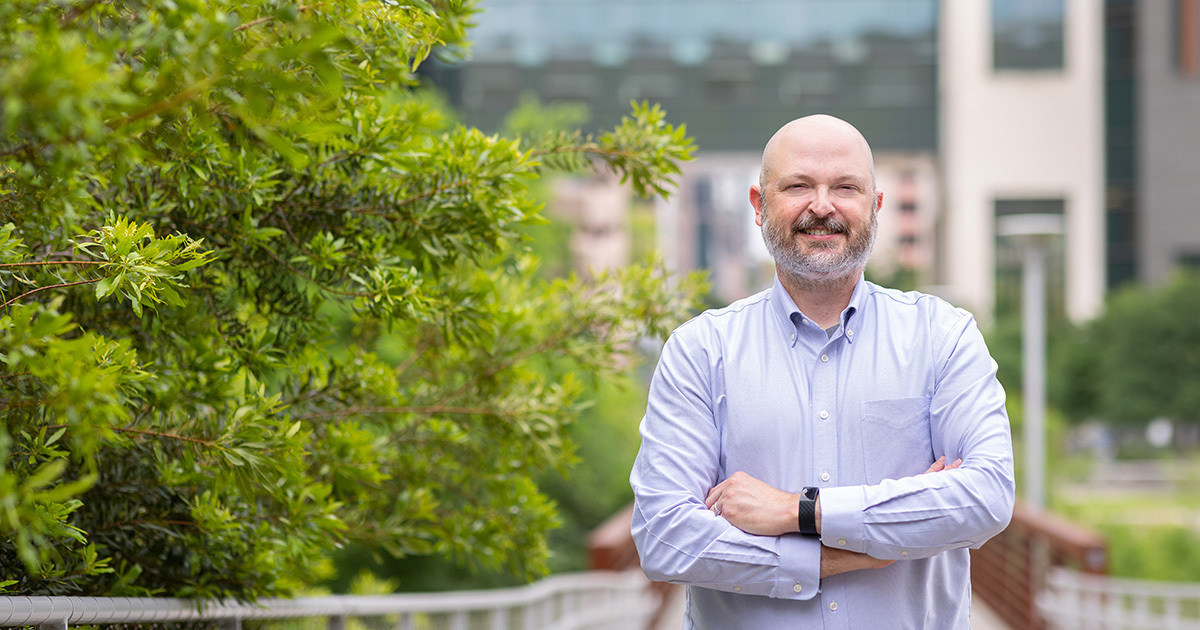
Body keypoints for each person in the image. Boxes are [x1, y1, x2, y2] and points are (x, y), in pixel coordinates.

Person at [629, 114, 1015, 629]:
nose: (822, 205)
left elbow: (987, 495)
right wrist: (860, 551)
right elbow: (664, 537)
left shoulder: (943, 336)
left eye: (845, 187)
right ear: (758, 205)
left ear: (876, 207)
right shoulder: (699, 352)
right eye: (798, 186)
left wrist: (798, 512)